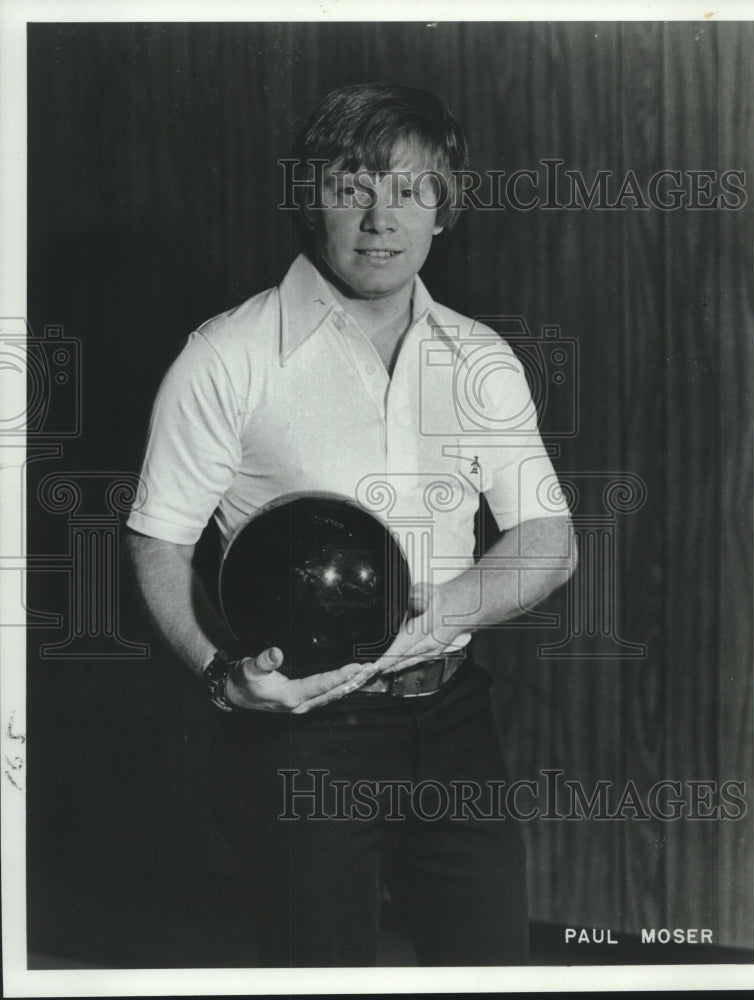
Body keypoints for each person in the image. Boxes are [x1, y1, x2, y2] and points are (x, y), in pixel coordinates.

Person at [126, 82, 575, 967]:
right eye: (352, 187)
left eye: (410, 190)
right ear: (312, 200)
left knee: (490, 971)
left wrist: (438, 617)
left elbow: (545, 540)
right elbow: (159, 539)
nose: (380, 218)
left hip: (451, 720)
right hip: (301, 731)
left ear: (443, 208)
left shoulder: (480, 358)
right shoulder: (226, 356)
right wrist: (221, 675)